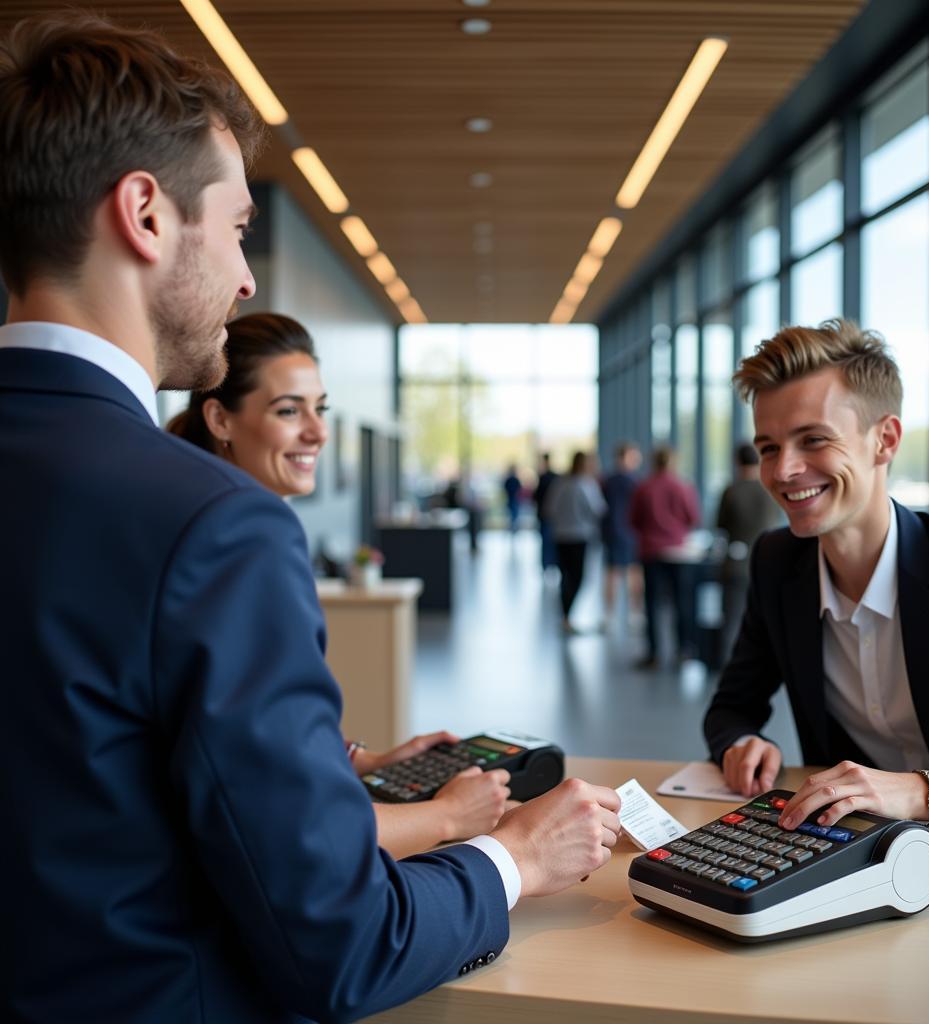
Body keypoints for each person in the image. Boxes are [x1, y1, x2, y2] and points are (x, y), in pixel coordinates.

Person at [0, 14, 621, 1023]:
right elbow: (336, 946)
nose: (246, 278)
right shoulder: (215, 526)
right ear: (146, 215)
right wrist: (513, 858)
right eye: (238, 228)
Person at [167, 312, 510, 859]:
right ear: (220, 419)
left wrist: (361, 761)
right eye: (288, 410)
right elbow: (285, 815)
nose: (318, 431)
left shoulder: (213, 521)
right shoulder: (242, 540)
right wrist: (445, 815)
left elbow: (242, 733)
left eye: (320, 409)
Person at [703, 319, 929, 884]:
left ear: (886, 440)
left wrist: (924, 792)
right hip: (849, 860)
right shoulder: (778, 563)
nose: (783, 471)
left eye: (814, 440)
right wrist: (741, 742)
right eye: (769, 448)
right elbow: (732, 706)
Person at [628, 446, 702, 669]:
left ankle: (654, 653)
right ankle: (683, 650)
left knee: (651, 603)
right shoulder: (682, 486)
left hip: (650, 551)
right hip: (678, 552)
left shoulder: (643, 487)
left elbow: (633, 519)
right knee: (682, 601)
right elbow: (693, 517)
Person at [715, 442, 781, 663]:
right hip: (768, 564)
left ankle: (729, 667)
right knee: (767, 622)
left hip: (736, 564)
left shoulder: (731, 490)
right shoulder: (771, 491)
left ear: (737, 462)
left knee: (732, 620)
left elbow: (720, 525)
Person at [545, 451, 607, 633]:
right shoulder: (587, 484)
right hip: (579, 536)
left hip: (560, 535)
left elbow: (549, 509)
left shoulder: (560, 484)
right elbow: (598, 509)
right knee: (578, 577)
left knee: (565, 576)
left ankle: (565, 615)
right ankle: (567, 616)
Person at [601, 442, 644, 625]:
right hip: (629, 532)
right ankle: (635, 613)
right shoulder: (634, 482)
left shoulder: (607, 481)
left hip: (613, 532)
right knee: (633, 573)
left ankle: (610, 615)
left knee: (613, 573)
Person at [533, 451, 558, 572]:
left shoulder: (544, 478)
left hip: (545, 515)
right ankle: (551, 565)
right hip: (552, 516)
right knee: (552, 542)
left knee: (546, 542)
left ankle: (546, 565)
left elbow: (536, 497)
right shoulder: (555, 477)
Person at [502, 462, 523, 533]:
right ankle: (512, 528)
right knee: (512, 516)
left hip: (513, 500)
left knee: (514, 516)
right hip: (511, 500)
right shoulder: (511, 480)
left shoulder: (513, 480)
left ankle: (513, 528)